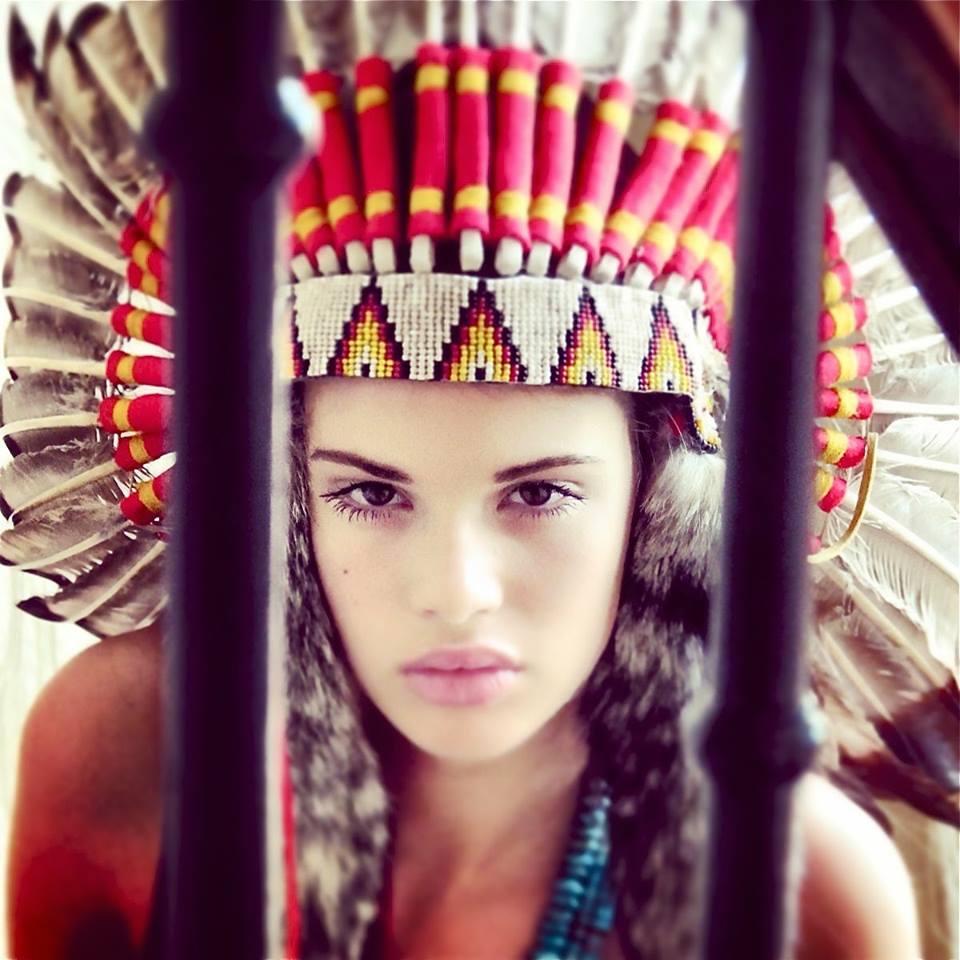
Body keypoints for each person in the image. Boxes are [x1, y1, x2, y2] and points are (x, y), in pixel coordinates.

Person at [2, 2, 954, 958]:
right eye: (371, 494)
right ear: (290, 501)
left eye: (538, 494)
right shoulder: (126, 757)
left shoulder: (806, 887)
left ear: (655, 504)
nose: (456, 592)